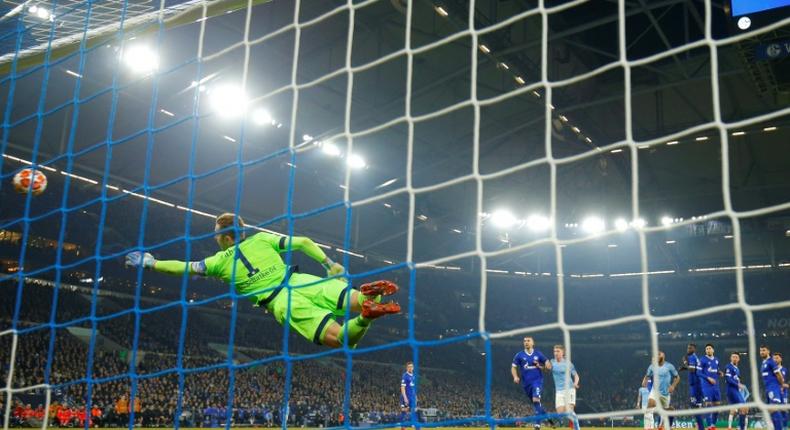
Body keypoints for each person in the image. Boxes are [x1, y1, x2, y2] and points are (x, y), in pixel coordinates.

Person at [125, 213, 400, 348]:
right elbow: (303, 241)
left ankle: (365, 317)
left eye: (216, 234)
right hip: (301, 279)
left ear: (226, 237)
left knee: (341, 338)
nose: (214, 237)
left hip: (281, 301)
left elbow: (182, 268)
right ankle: (369, 299)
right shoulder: (262, 239)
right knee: (356, 299)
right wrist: (329, 264)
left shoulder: (218, 262)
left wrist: (152, 263)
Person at [512, 336, 552, 430]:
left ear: (533, 343)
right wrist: (515, 376)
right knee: (536, 404)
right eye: (524, 341)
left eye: (528, 341)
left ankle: (537, 425)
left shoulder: (538, 354)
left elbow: (546, 361)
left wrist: (547, 364)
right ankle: (548, 418)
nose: (526, 342)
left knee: (536, 400)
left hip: (537, 381)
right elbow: (513, 367)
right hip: (526, 384)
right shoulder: (519, 355)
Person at [643, 351, 680, 430]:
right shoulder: (652, 366)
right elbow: (647, 375)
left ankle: (664, 426)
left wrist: (673, 386)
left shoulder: (669, 366)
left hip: (665, 393)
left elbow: (677, 377)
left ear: (663, 356)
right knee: (649, 406)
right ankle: (648, 427)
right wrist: (644, 381)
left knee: (668, 410)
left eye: (659, 354)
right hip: (655, 391)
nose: (657, 355)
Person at [550, 345, 580, 430]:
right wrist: (539, 366)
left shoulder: (568, 363)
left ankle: (577, 428)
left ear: (563, 353)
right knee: (560, 413)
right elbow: (546, 368)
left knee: (569, 411)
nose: (555, 353)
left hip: (569, 389)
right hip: (559, 391)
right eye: (554, 351)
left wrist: (575, 383)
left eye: (558, 351)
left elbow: (576, 375)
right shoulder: (552, 362)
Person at [759, 345, 785, 430]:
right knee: (770, 411)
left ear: (768, 351)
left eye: (764, 350)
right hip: (768, 389)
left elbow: (779, 375)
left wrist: (781, 385)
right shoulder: (763, 363)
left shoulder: (771, 361)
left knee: (774, 409)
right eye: (761, 351)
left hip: (773, 388)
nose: (762, 352)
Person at [681, 343, 707, 430]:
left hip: (695, 384)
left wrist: (685, 363)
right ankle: (701, 427)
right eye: (687, 348)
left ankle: (701, 427)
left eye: (690, 348)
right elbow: (694, 368)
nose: (688, 349)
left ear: (694, 349)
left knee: (694, 406)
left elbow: (692, 369)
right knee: (697, 407)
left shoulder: (692, 357)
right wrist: (685, 367)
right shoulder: (695, 357)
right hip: (697, 383)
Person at [700, 344, 722, 430]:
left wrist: (719, 373)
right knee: (708, 404)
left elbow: (716, 369)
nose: (708, 350)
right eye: (706, 349)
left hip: (716, 386)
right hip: (706, 386)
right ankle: (709, 426)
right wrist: (708, 378)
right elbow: (699, 373)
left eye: (709, 348)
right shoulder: (702, 360)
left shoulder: (716, 360)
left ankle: (713, 424)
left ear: (713, 350)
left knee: (717, 405)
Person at [725, 352, 748, 430]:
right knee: (743, 408)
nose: (734, 358)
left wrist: (740, 384)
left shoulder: (737, 369)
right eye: (733, 357)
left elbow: (736, 379)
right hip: (731, 390)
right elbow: (728, 379)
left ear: (738, 359)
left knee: (745, 409)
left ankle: (740, 427)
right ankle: (739, 427)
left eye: (736, 357)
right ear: (731, 358)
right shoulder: (729, 366)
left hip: (736, 391)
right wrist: (738, 385)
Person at [772, 352, 788, 430]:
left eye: (777, 358)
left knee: (784, 410)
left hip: (783, 393)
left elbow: (787, 381)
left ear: (781, 359)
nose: (775, 360)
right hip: (774, 392)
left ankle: (784, 427)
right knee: (774, 410)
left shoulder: (785, 369)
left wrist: (786, 386)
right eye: (774, 358)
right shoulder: (771, 369)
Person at [400, 361, 416, 429]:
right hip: (405, 396)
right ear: (407, 368)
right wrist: (405, 397)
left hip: (412, 397)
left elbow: (413, 387)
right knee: (404, 411)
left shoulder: (414, 376)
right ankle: (403, 427)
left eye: (411, 367)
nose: (410, 368)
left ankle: (414, 424)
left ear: (413, 367)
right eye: (409, 367)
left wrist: (415, 396)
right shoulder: (405, 375)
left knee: (414, 410)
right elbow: (402, 387)